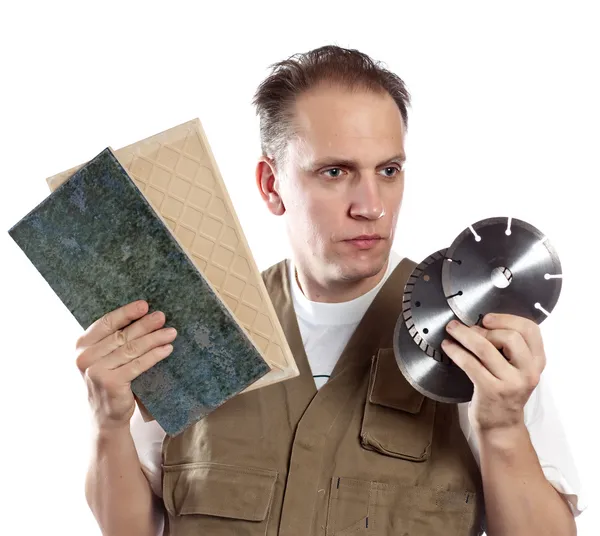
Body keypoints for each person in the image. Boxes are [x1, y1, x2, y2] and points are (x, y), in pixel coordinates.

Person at [75, 45, 584, 536]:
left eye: (388, 171)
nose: (371, 205)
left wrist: (502, 429)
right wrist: (108, 425)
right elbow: (133, 529)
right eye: (335, 172)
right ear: (271, 185)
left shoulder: (475, 338)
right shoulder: (196, 323)